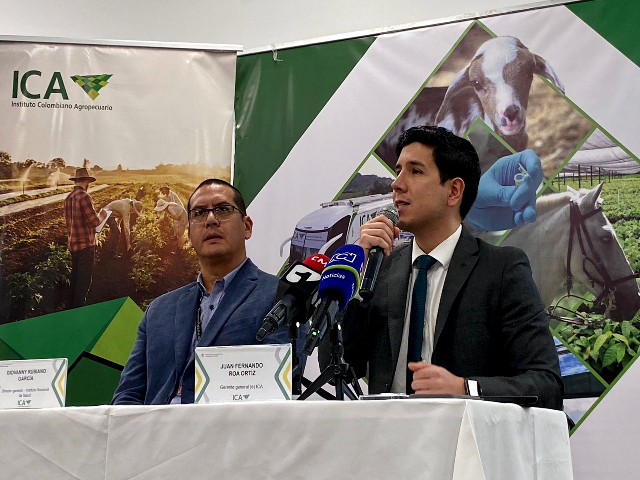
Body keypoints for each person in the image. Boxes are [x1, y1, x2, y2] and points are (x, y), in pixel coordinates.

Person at [321, 126, 562, 410]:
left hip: (464, 434)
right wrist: (359, 270)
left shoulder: (501, 269)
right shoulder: (380, 268)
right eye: (398, 171)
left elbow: (545, 384)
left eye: (415, 171)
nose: (396, 184)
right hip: (387, 432)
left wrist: (464, 388)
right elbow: (335, 366)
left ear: (454, 191)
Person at [112, 179, 298, 405]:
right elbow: (128, 395)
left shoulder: (282, 296)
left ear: (247, 227)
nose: (211, 219)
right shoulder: (159, 310)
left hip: (233, 425)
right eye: (199, 213)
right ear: (189, 234)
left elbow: (276, 391)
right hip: (157, 425)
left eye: (223, 209)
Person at [63, 167, 107, 308]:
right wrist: (102, 215)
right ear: (86, 182)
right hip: (86, 246)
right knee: (84, 281)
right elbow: (94, 222)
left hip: (73, 244)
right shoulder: (85, 197)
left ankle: (70, 308)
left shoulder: (68, 198)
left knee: (75, 278)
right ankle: (78, 312)